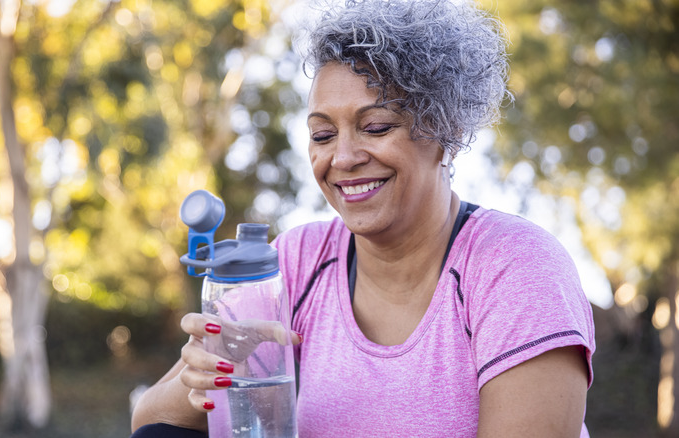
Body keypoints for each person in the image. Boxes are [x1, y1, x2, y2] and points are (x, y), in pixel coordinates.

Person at [131, 0, 596, 436]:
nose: (344, 157)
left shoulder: (516, 267)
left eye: (375, 127)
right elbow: (149, 420)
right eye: (323, 134)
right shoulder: (295, 262)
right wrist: (202, 381)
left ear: (446, 130)